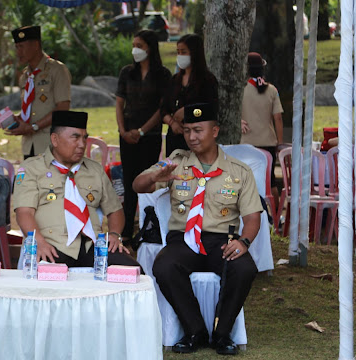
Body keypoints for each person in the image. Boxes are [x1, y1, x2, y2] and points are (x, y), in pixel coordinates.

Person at [133, 103, 262, 355]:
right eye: (188, 130)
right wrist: (154, 178)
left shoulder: (238, 171)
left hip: (221, 241)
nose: (192, 137)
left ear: (215, 131)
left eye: (199, 130)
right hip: (183, 240)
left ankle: (222, 334)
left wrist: (243, 242)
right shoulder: (174, 163)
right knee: (164, 265)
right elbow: (137, 185)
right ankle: (194, 331)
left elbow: (253, 217)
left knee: (244, 268)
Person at [13, 110, 140, 269]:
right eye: (75, 137)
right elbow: (24, 212)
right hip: (52, 244)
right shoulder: (32, 168)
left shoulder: (94, 170)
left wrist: (114, 235)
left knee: (132, 272)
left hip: (92, 246)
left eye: (84, 138)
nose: (82, 144)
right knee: (46, 282)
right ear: (55, 139)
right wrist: (39, 242)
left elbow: (115, 210)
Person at [115, 29, 171, 244]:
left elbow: (161, 108)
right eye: (134, 45)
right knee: (129, 181)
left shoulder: (163, 75)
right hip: (127, 135)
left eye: (140, 45)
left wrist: (142, 131)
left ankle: (148, 226)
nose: (135, 49)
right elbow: (120, 103)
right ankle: (126, 230)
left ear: (150, 47)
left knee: (147, 180)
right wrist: (123, 130)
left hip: (150, 135)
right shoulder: (127, 72)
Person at [6, 25, 72, 159]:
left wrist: (33, 127)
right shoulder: (25, 76)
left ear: (36, 45)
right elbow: (32, 108)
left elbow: (62, 109)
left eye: (22, 47)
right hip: (29, 145)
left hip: (51, 145)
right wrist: (17, 119)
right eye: (16, 47)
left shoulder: (57, 70)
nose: (18, 52)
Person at [160, 34, 218, 157]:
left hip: (198, 139)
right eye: (178, 52)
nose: (180, 56)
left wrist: (188, 111)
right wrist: (172, 123)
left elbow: (211, 108)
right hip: (175, 139)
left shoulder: (207, 80)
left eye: (184, 52)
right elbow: (163, 110)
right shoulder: (175, 80)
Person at [240, 52, 284, 205]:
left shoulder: (240, 90)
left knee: (244, 181)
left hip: (245, 143)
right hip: (268, 144)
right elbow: (277, 118)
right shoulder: (272, 90)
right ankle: (276, 218)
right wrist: (279, 142)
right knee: (270, 182)